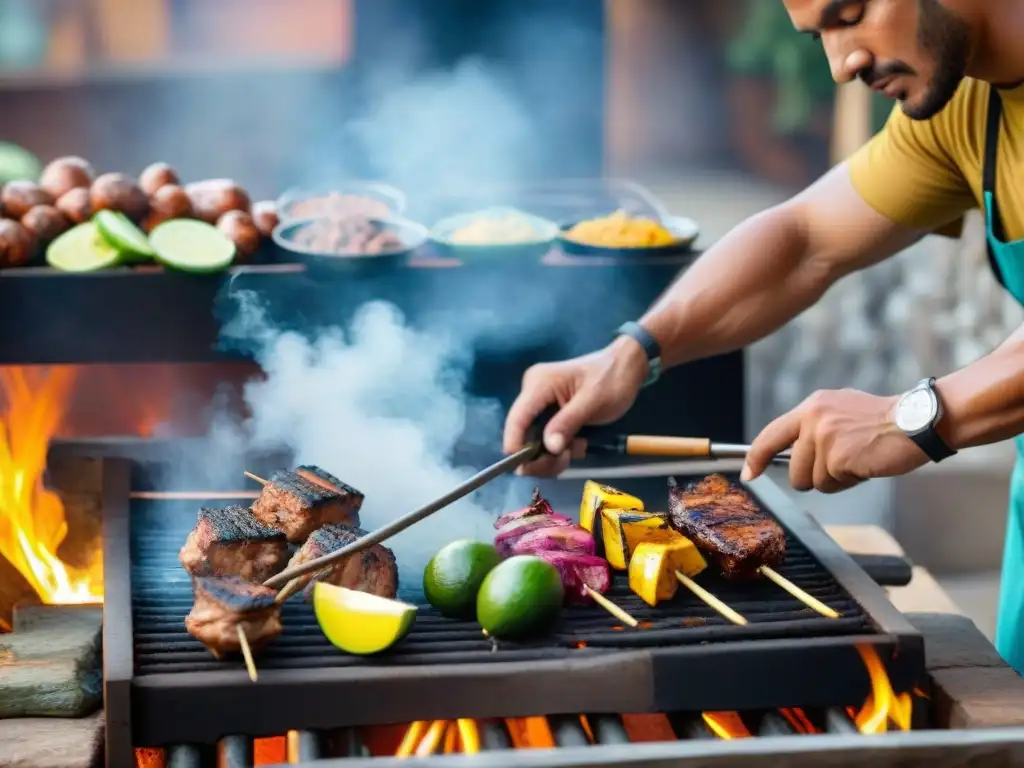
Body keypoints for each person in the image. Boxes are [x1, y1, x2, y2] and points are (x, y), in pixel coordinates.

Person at [503, 0, 1024, 674]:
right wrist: (633, 351)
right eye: (820, 36)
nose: (843, 65)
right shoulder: (967, 110)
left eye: (852, 13)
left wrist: (910, 419)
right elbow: (805, 240)